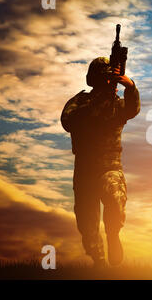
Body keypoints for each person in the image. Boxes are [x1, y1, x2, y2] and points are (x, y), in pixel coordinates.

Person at [61, 57, 140, 267]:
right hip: (85, 169)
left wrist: (129, 85)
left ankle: (113, 234)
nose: (109, 84)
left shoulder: (117, 105)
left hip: (110, 165)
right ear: (94, 80)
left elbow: (133, 108)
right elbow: (68, 121)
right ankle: (100, 265)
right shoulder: (80, 102)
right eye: (106, 79)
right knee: (88, 226)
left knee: (115, 199)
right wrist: (99, 100)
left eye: (111, 80)